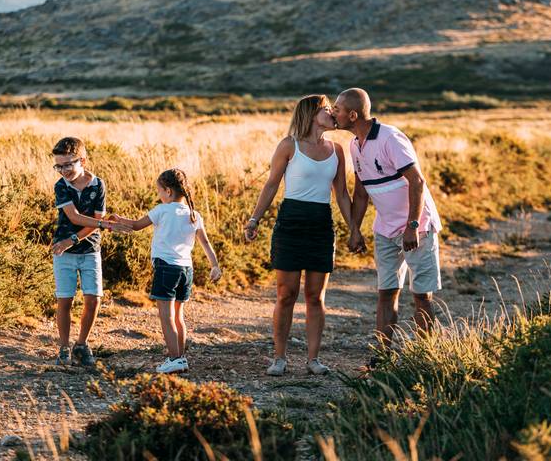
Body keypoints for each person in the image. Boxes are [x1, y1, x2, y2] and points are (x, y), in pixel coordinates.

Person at [244, 94, 357, 376]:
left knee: (315, 297)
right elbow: (271, 185)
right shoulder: (288, 145)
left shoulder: (337, 149)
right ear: (311, 113)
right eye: (326, 109)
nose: (332, 113)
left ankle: (313, 360)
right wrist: (254, 219)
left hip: (321, 224)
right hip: (291, 222)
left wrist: (354, 228)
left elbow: (341, 194)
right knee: (286, 294)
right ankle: (279, 359)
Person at [332, 88, 443, 361]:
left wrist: (412, 226)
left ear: (353, 114)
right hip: (384, 229)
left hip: (418, 226)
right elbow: (360, 193)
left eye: (337, 109)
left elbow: (417, 182)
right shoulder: (354, 145)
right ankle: (381, 357)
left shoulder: (390, 137)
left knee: (421, 295)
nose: (333, 113)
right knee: (386, 292)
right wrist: (354, 229)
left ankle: (425, 357)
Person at [111, 168, 222, 374]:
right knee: (178, 316)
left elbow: (136, 226)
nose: (158, 195)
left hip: (166, 268)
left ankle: (175, 358)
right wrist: (215, 265)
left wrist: (119, 219)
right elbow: (205, 242)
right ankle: (180, 358)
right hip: (185, 270)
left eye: (159, 191)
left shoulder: (161, 210)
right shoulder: (194, 214)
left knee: (166, 316)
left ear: (168, 191)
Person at [51, 137, 131, 366]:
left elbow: (96, 220)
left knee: (93, 299)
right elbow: (74, 217)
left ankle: (82, 344)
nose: (64, 171)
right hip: (63, 251)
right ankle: (64, 347)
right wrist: (104, 226)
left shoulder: (98, 185)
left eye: (68, 164)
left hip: (90, 250)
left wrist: (75, 238)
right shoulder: (61, 186)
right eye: (59, 166)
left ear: (82, 160)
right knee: (64, 300)